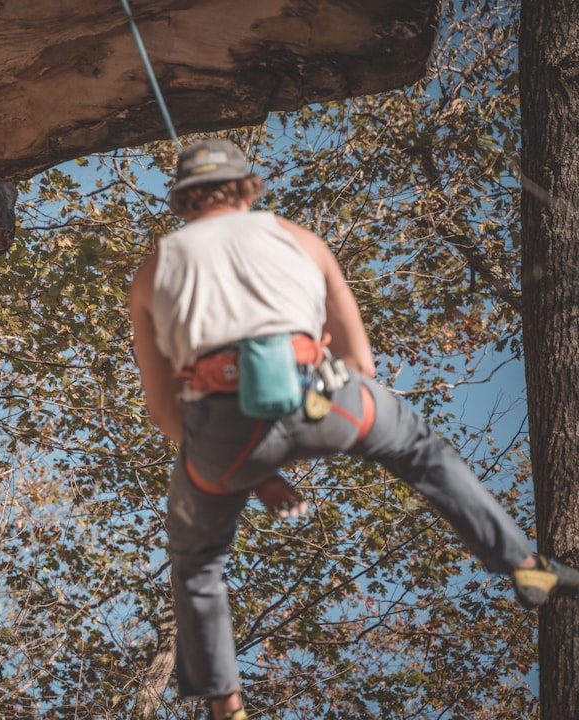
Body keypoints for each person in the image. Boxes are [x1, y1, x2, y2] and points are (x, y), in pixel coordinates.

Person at [128, 138, 579, 720]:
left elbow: (165, 414)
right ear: (248, 188)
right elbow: (361, 365)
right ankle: (524, 566)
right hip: (327, 402)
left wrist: (249, 465)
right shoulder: (301, 240)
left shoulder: (152, 269)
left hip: (222, 432)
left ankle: (226, 707)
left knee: (197, 564)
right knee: (422, 453)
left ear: (181, 200)